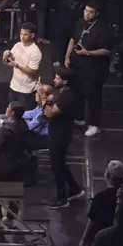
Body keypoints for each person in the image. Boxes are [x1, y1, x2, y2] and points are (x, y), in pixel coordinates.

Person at [65, 1, 113, 137]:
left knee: (93, 95)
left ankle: (94, 124)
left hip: (95, 67)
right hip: (77, 65)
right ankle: (79, 117)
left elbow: (107, 50)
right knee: (77, 91)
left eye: (90, 12)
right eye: (85, 11)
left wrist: (88, 53)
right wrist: (67, 56)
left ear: (96, 14)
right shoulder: (80, 23)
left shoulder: (102, 28)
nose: (87, 14)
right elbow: (73, 40)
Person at [43, 67, 86, 208]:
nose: (54, 80)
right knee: (60, 163)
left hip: (61, 134)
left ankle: (62, 198)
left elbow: (50, 113)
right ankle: (75, 189)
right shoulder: (61, 91)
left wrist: (43, 99)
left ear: (65, 81)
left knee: (57, 165)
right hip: (57, 130)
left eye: (57, 78)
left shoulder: (68, 96)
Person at [0, 102, 32, 228]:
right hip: (20, 164)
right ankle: (11, 218)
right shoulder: (25, 126)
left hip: (6, 165)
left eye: (8, 108)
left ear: (12, 112)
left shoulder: (6, 129)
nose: (6, 109)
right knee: (15, 190)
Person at [79, 160, 123, 246]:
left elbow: (92, 220)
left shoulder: (100, 198)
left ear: (108, 176)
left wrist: (84, 239)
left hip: (101, 243)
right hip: (122, 244)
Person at [2, 23, 42, 110]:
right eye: (21, 34)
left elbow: (32, 71)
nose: (22, 37)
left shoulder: (35, 51)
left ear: (32, 35)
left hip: (26, 90)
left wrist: (17, 65)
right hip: (13, 86)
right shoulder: (17, 45)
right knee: (11, 111)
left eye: (25, 34)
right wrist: (5, 56)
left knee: (24, 114)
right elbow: (9, 62)